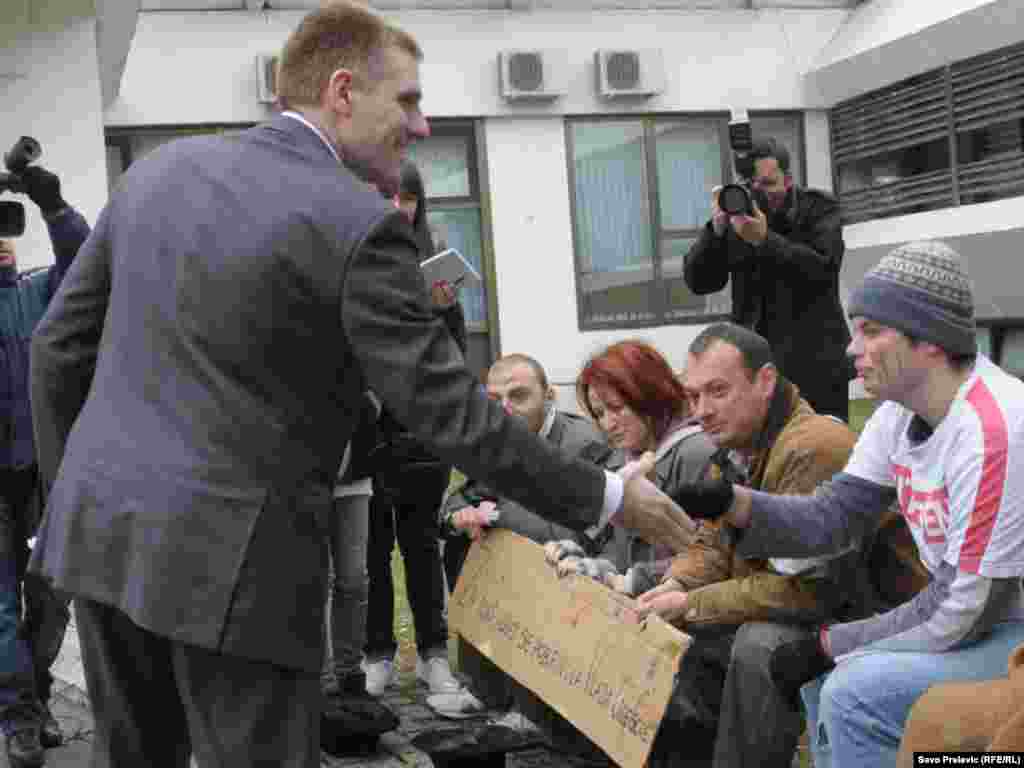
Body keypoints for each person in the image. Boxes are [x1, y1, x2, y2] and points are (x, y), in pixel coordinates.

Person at [26, 3, 691, 766]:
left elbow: (57, 348)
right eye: (406, 100)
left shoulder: (155, 175)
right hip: (239, 564)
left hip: (100, 533)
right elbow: (450, 414)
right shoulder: (357, 224)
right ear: (342, 92)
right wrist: (606, 495)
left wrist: (69, 489)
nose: (422, 126)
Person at [669, 241, 1024, 768]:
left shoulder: (993, 429)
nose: (850, 349)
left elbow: (964, 610)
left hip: (1006, 631)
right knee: (826, 684)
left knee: (853, 691)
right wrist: (735, 503)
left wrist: (829, 645)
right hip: (988, 623)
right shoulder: (897, 416)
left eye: (871, 331)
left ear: (928, 339)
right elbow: (833, 518)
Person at [634, 322, 862, 768]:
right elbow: (711, 544)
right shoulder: (738, 445)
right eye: (694, 396)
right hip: (805, 601)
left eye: (717, 391)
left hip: (864, 614)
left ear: (765, 382)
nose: (702, 411)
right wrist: (675, 582)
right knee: (666, 622)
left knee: (761, 644)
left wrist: (691, 602)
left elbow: (806, 592)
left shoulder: (812, 447)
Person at [527, 340, 719, 762]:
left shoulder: (695, 454)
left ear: (648, 393)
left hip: (696, 633)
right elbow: (624, 555)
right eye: (597, 412)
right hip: (649, 620)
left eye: (617, 407)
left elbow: (715, 557)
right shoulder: (632, 457)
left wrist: (628, 579)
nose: (607, 423)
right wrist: (585, 560)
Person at [429, 353, 617, 723]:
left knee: (508, 549)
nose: (505, 409)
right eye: (495, 400)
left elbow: (581, 528)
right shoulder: (493, 441)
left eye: (518, 396)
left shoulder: (584, 445)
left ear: (549, 395)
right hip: (522, 550)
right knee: (466, 544)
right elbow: (459, 498)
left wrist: (495, 516)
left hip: (584, 557)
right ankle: (484, 689)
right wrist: (460, 517)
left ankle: (534, 708)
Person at [362, 161, 466, 699]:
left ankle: (433, 655)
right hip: (369, 430)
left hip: (421, 431)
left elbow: (455, 357)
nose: (400, 207)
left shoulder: (433, 262)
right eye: (390, 196)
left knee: (421, 546)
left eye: (409, 198)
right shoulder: (357, 258)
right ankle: (376, 653)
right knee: (372, 550)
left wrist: (445, 314)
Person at [0, 164, 88, 768]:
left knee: (52, 597)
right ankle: (21, 716)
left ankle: (35, 696)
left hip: (44, 477)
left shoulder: (37, 292)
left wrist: (53, 207)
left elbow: (83, 266)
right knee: (1, 607)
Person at [683, 137, 851, 422]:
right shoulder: (736, 219)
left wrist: (764, 239)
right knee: (761, 452)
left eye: (768, 183)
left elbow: (822, 270)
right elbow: (700, 282)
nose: (760, 193)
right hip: (755, 363)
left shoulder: (818, 209)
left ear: (788, 180)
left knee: (823, 447)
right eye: (752, 185)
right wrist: (716, 230)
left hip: (815, 362)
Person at [319, 390, 398, 754]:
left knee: (353, 579)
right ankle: (319, 681)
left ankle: (350, 674)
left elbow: (380, 392)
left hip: (355, 474)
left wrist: (368, 401)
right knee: (317, 582)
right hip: (306, 476)